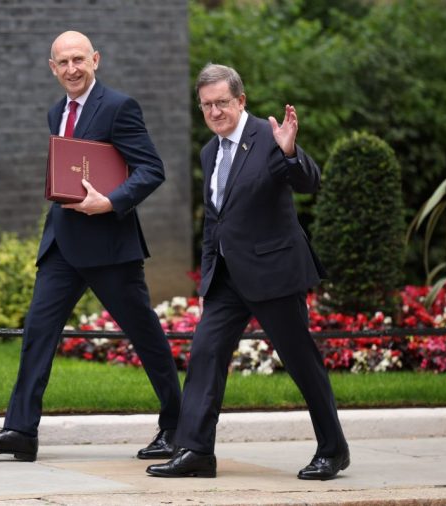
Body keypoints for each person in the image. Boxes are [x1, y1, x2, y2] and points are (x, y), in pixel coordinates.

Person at [0, 31, 182, 463]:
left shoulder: (120, 107)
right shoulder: (55, 112)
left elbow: (151, 169)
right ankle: (21, 431)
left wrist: (111, 201)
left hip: (110, 248)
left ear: (96, 60)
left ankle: (179, 427)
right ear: (52, 68)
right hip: (62, 244)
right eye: (63, 62)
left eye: (79, 60)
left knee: (145, 336)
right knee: (38, 334)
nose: (72, 69)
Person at [146, 63, 349, 480]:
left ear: (241, 100)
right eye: (207, 105)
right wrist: (206, 276)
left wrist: (291, 151)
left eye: (222, 102)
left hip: (274, 273)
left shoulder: (269, 137)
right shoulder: (209, 150)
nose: (215, 111)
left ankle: (334, 449)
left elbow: (309, 181)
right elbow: (215, 221)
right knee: (204, 353)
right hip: (226, 277)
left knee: (301, 361)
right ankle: (196, 451)